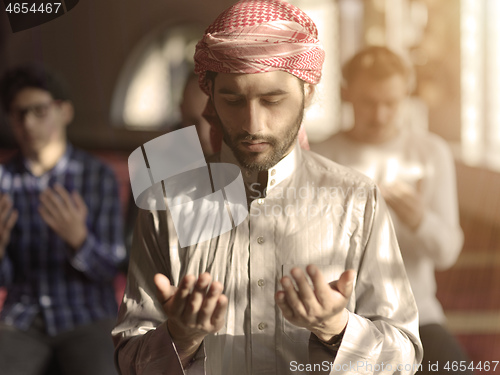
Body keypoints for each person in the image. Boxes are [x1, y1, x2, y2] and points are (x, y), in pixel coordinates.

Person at [112, 1, 423, 374]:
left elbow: (403, 357)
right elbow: (129, 361)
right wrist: (180, 336)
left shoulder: (354, 198)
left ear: (308, 92)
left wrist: (336, 329)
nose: (252, 124)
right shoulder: (166, 200)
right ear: (209, 93)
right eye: (233, 100)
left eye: (272, 100)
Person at [312, 46, 470, 374]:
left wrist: (419, 220)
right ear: (346, 94)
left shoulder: (430, 152)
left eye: (391, 103)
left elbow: (447, 254)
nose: (380, 114)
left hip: (417, 315)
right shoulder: (320, 156)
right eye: (369, 102)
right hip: (341, 317)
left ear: (406, 97)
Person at [0, 64, 126, 375]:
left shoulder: (97, 176)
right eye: (18, 114)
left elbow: (113, 267)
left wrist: (79, 240)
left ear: (65, 112)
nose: (28, 122)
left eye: (39, 111)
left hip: (87, 314)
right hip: (23, 317)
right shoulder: (3, 180)